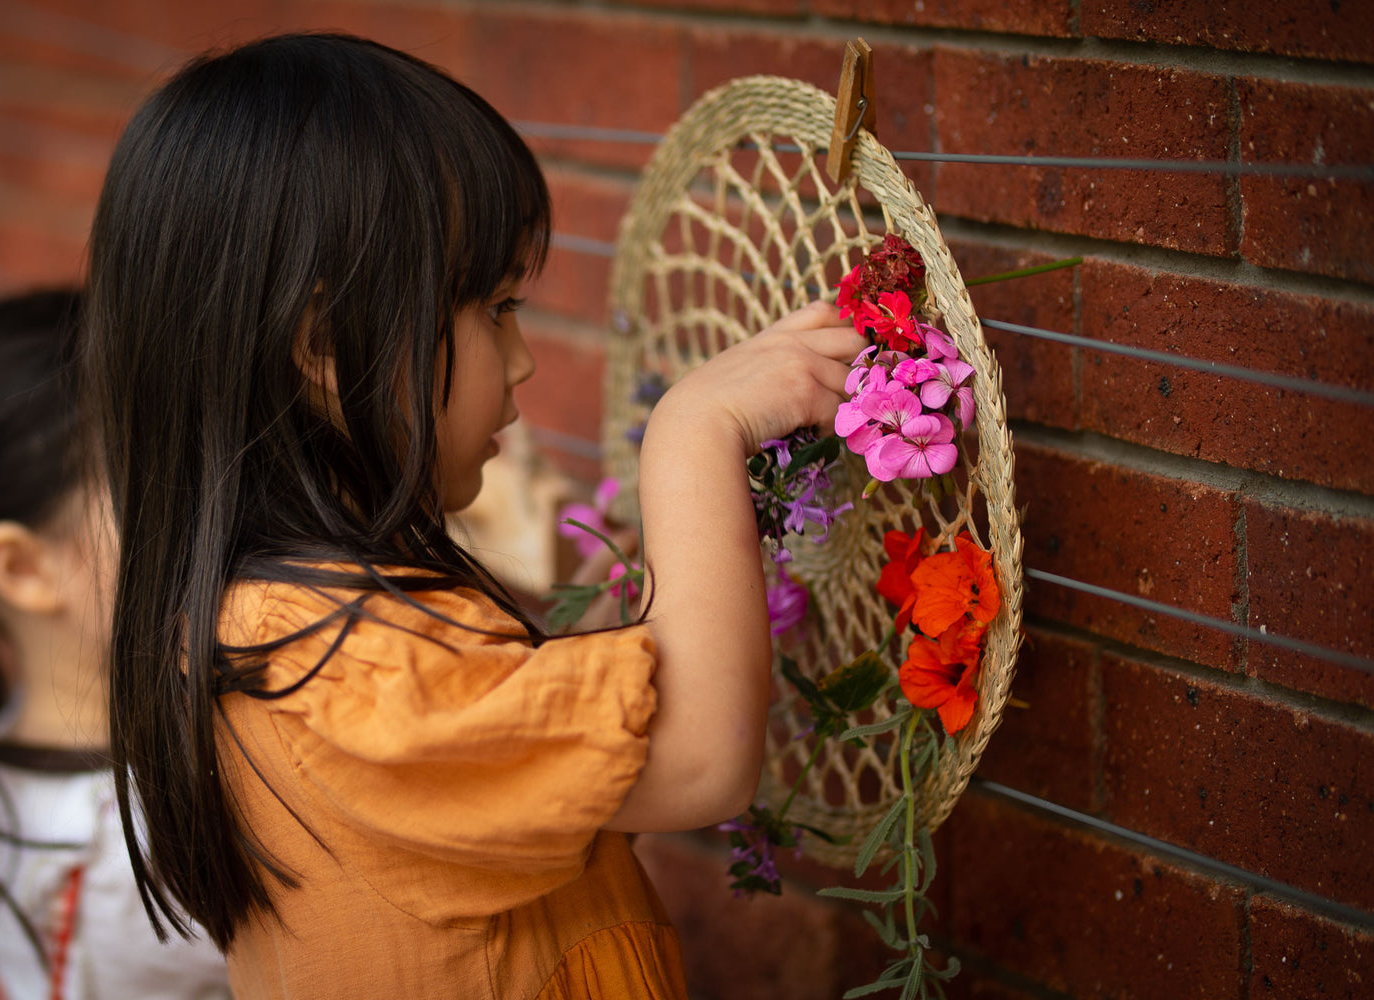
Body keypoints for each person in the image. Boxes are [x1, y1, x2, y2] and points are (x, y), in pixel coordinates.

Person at [81, 33, 865, 1000]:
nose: (525, 358)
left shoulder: (289, 621)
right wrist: (693, 434)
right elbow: (702, 763)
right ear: (324, 349)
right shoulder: (321, 655)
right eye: (495, 309)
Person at [0, 290, 231, 1000]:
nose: (221, 500)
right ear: (25, 570)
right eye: (160, 480)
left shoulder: (29, 742)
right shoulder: (120, 861)